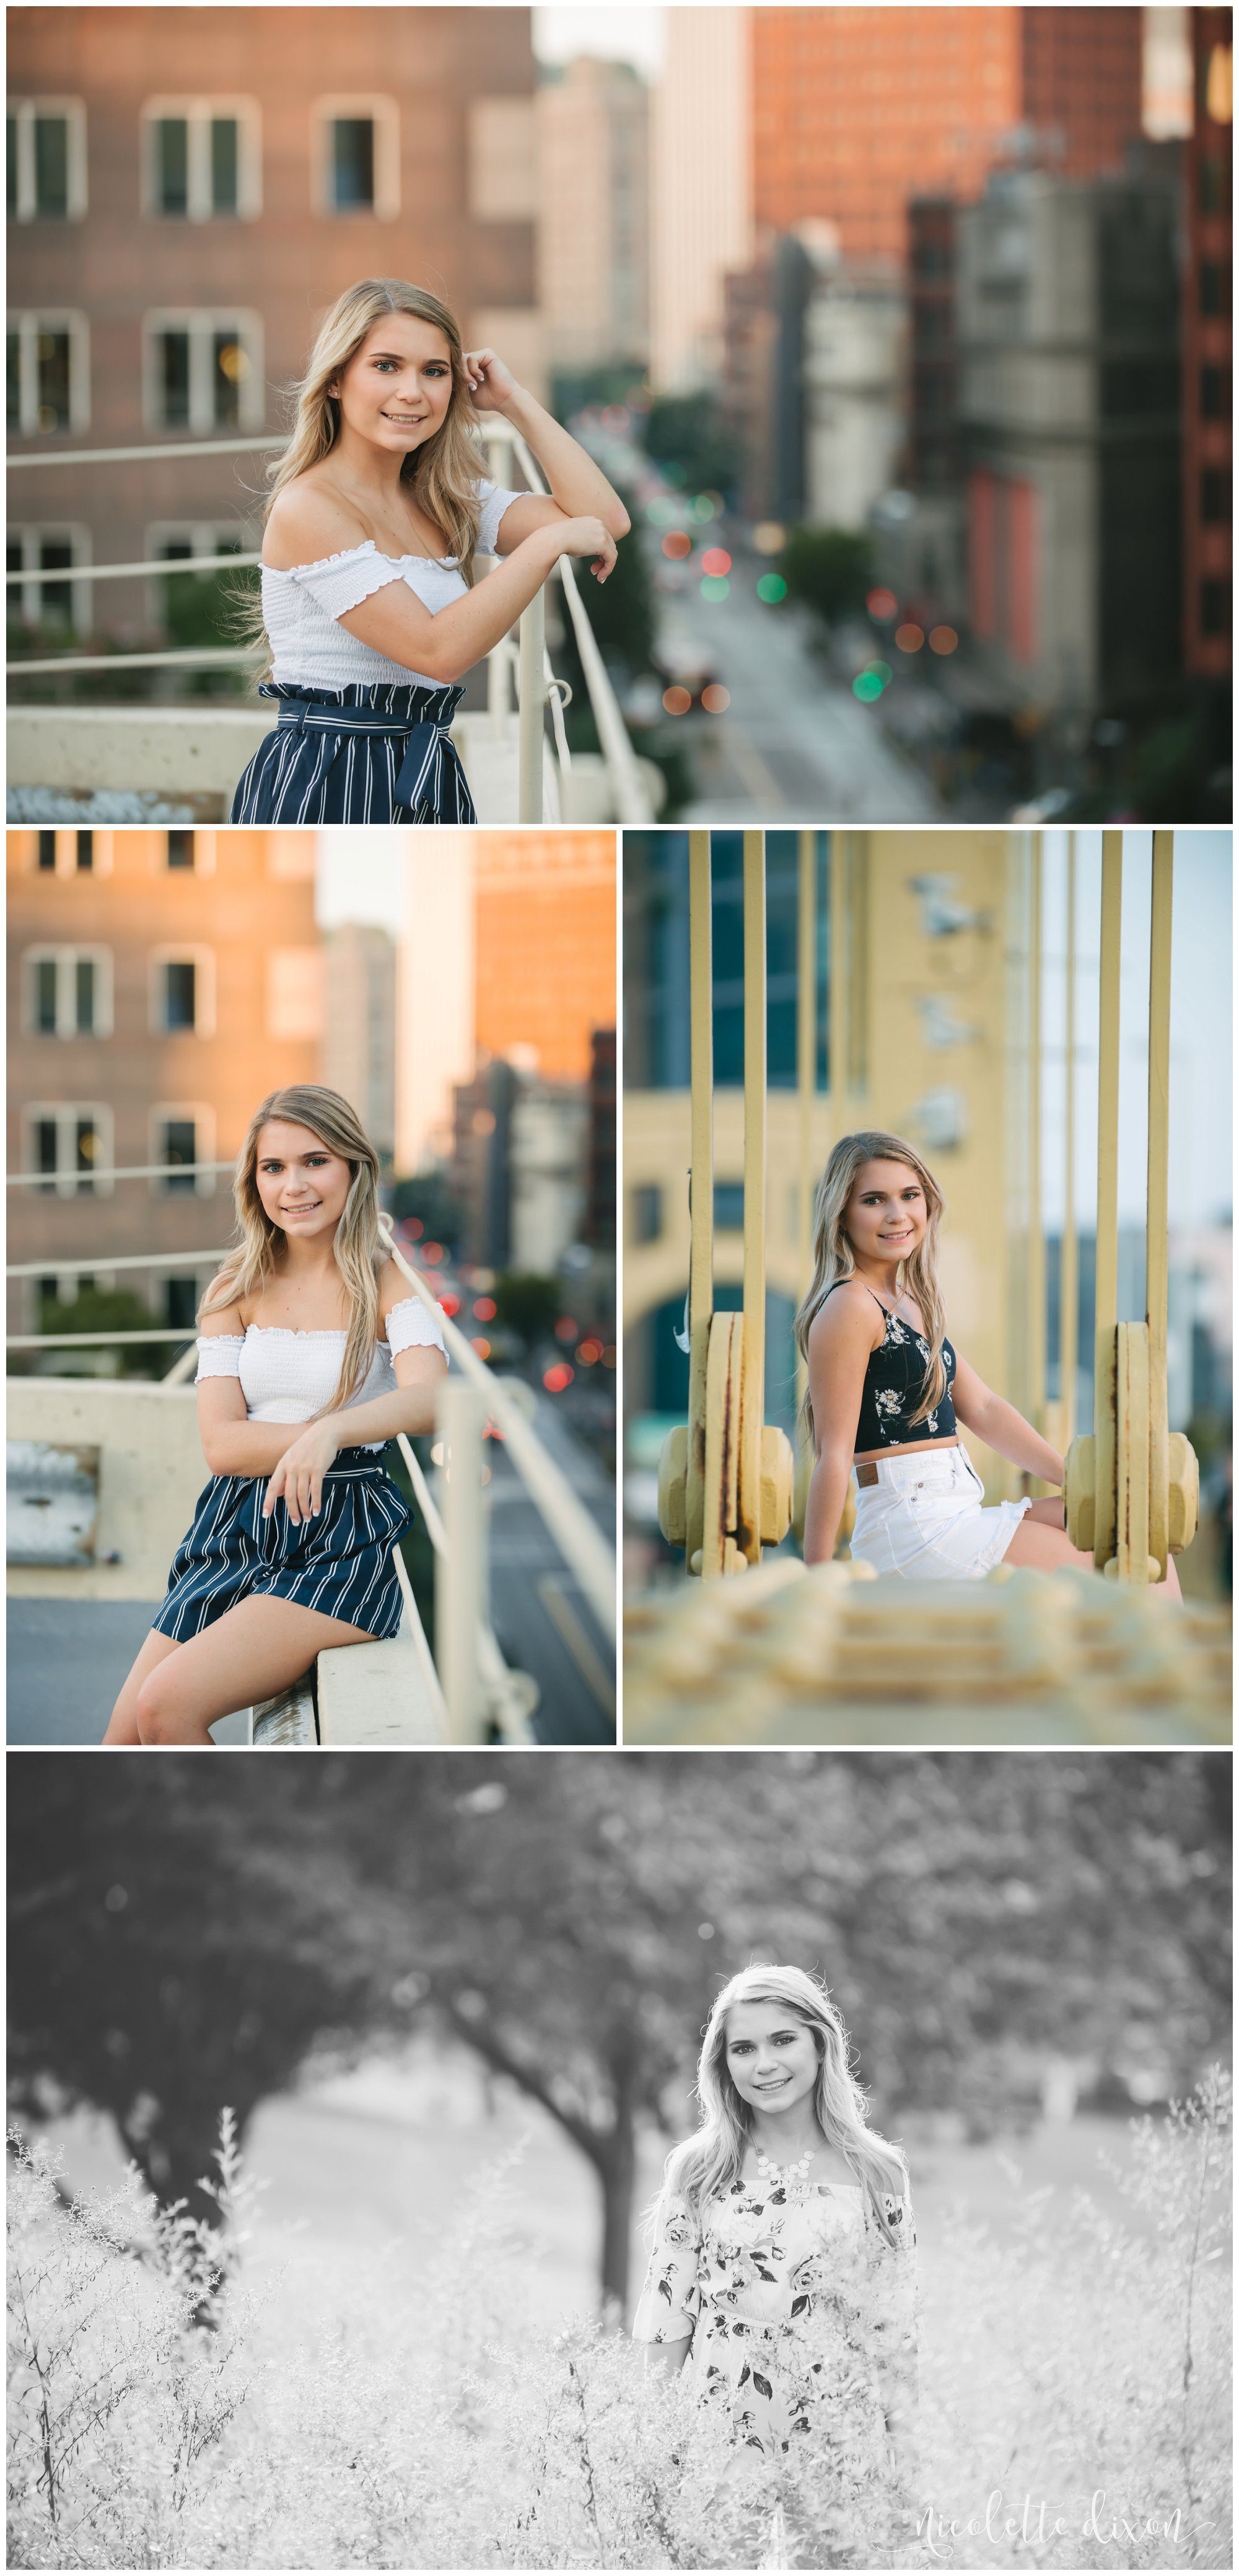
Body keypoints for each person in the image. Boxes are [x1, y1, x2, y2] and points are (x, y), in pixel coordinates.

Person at [102, 1087, 447, 1747]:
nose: (294, 1186)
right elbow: (223, 1447)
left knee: (165, 1708)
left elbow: (431, 1400)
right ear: (253, 1180)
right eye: (273, 1168)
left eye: (314, 1162)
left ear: (353, 1168)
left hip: (337, 1535)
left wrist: (334, 1430)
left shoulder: (388, 1282)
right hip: (231, 1526)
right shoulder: (234, 1285)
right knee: (118, 1744)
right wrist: (312, 1433)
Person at [229, 277, 629, 824]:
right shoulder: (309, 507)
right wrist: (548, 543)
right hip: (327, 771)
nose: (413, 392)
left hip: (427, 766)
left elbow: (606, 520)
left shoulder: (443, 498)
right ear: (337, 381)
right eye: (386, 366)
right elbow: (436, 652)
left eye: (434, 371)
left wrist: (513, 402)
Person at [794, 1129, 1182, 1592]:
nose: (898, 1215)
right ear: (842, 1215)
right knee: (1127, 1568)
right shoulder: (850, 1306)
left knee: (1133, 1525)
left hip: (955, 1513)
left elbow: (983, 1409)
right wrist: (814, 1578)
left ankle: (1172, 1663)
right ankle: (1168, 1662)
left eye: (910, 1196)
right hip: (916, 1532)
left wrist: (1077, 1481)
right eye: (875, 1200)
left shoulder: (908, 1302)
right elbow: (832, 1453)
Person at [633, 1965, 916, 2559]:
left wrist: (909, 2469)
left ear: (820, 2042)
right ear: (723, 2063)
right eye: (744, 2048)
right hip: (721, 2433)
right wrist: (655, 2453)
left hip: (841, 2440)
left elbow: (893, 2334)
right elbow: (666, 2324)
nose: (764, 2064)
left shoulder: (877, 2171)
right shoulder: (699, 2169)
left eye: (782, 2040)